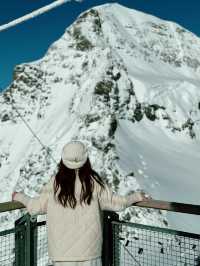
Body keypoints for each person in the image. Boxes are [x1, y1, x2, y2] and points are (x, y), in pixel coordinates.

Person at [12, 140, 151, 266]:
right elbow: (118, 203)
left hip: (62, 254)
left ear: (63, 159)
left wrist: (19, 197)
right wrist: (136, 196)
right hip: (90, 254)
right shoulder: (93, 182)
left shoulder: (54, 183)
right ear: (85, 159)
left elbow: (35, 208)